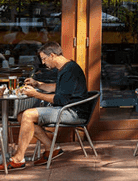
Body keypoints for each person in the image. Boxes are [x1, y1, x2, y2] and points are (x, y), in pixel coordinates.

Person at [0, 42, 90, 171]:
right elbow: (58, 88)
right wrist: (38, 84)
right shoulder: (66, 68)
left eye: (44, 58)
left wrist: (35, 94)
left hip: (73, 112)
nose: (43, 62)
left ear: (52, 55)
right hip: (67, 108)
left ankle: (18, 158)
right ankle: (52, 148)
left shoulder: (69, 70)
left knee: (28, 114)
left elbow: (60, 99)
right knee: (21, 116)